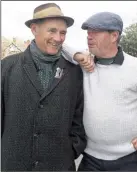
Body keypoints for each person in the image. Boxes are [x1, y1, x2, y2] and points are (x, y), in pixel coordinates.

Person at [1, 3, 87, 171]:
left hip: (60, 165)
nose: (58, 38)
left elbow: (79, 118)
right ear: (34, 29)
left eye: (63, 33)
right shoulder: (6, 67)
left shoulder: (75, 71)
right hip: (15, 165)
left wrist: (72, 149)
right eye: (52, 31)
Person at [63, 12, 137, 171]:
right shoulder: (85, 65)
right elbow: (60, 45)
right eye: (88, 33)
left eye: (95, 32)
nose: (89, 37)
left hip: (129, 161)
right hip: (90, 161)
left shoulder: (134, 67)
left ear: (114, 36)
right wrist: (77, 55)